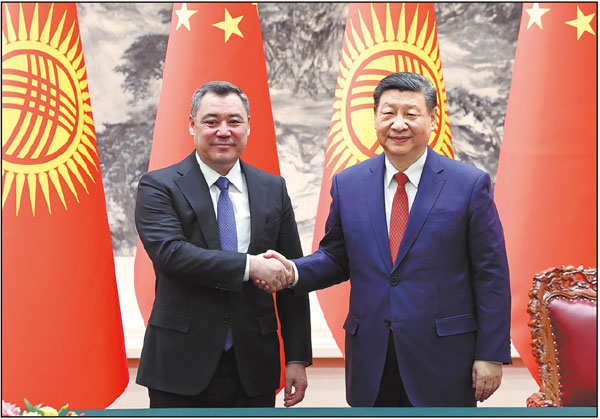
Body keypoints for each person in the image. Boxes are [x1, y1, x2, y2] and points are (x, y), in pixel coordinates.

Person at [263, 72, 511, 407]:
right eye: (388, 113)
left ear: (432, 120)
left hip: (444, 358)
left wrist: (491, 353)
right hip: (372, 356)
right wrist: (292, 271)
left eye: (411, 114)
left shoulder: (468, 185)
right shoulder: (348, 184)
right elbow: (336, 258)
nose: (399, 124)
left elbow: (491, 275)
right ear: (375, 118)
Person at [135, 81, 312, 408]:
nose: (223, 131)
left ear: (248, 125)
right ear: (192, 125)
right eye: (211, 121)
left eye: (234, 121)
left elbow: (290, 276)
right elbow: (171, 255)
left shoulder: (273, 188)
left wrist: (297, 359)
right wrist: (251, 266)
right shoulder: (159, 186)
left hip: (254, 364)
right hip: (180, 363)